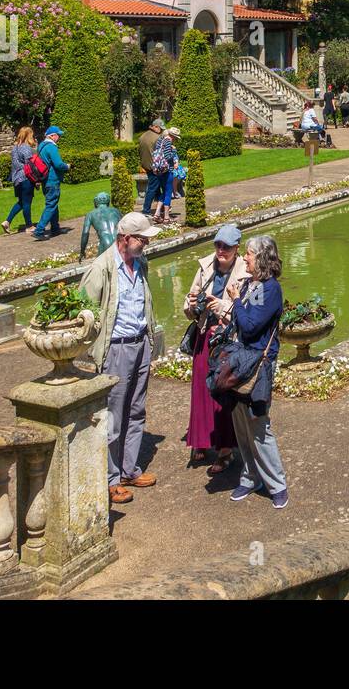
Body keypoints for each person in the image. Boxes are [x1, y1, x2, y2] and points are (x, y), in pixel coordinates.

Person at [80, 211, 162, 506]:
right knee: (113, 416)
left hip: (140, 344)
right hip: (115, 349)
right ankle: (110, 479)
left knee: (136, 410)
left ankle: (129, 470)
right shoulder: (101, 267)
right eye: (142, 239)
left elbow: (145, 303)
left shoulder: (141, 263)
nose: (145, 244)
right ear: (125, 238)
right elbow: (84, 312)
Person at [227, 234, 288, 508]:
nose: (244, 258)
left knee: (258, 422)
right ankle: (251, 476)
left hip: (259, 365)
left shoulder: (271, 289)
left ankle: (277, 483)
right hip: (241, 361)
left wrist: (237, 301)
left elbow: (251, 326)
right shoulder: (251, 284)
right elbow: (240, 323)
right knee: (240, 422)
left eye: (249, 254)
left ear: (262, 258)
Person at [182, 225, 250, 475]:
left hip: (228, 339)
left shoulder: (246, 271)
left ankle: (224, 450)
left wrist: (220, 305)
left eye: (227, 247)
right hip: (204, 334)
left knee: (222, 394)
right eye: (218, 245)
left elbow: (246, 309)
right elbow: (188, 304)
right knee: (201, 388)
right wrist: (192, 306)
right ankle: (200, 439)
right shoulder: (206, 267)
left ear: (236, 248)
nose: (221, 251)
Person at [33, 125, 70, 239]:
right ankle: (39, 230)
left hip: (44, 179)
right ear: (52, 136)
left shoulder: (41, 146)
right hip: (52, 180)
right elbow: (58, 164)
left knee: (53, 204)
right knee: (51, 205)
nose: (59, 137)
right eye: (58, 135)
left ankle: (55, 228)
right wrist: (67, 166)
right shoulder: (52, 147)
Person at [1, 126, 37, 234]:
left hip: (16, 179)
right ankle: (29, 226)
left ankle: (7, 221)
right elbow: (30, 165)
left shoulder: (15, 148)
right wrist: (36, 180)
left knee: (21, 202)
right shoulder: (26, 148)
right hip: (26, 178)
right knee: (27, 202)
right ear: (28, 135)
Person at [80, 192, 121, 261]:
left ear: (95, 202)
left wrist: (82, 250)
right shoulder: (116, 211)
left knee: (100, 268)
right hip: (120, 243)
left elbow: (85, 233)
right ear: (108, 202)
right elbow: (126, 226)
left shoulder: (90, 214)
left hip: (106, 244)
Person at [153, 127, 181, 225]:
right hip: (167, 170)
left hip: (159, 170)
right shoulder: (168, 141)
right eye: (176, 138)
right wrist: (174, 151)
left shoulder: (160, 140)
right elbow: (167, 156)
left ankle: (156, 214)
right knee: (168, 193)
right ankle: (166, 217)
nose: (176, 140)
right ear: (172, 136)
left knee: (164, 192)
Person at [139, 118, 166, 216]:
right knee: (153, 188)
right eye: (160, 128)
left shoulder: (142, 136)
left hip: (146, 165)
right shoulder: (157, 138)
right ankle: (146, 210)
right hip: (155, 167)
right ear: (155, 127)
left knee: (156, 187)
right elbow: (160, 154)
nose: (161, 131)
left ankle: (161, 209)